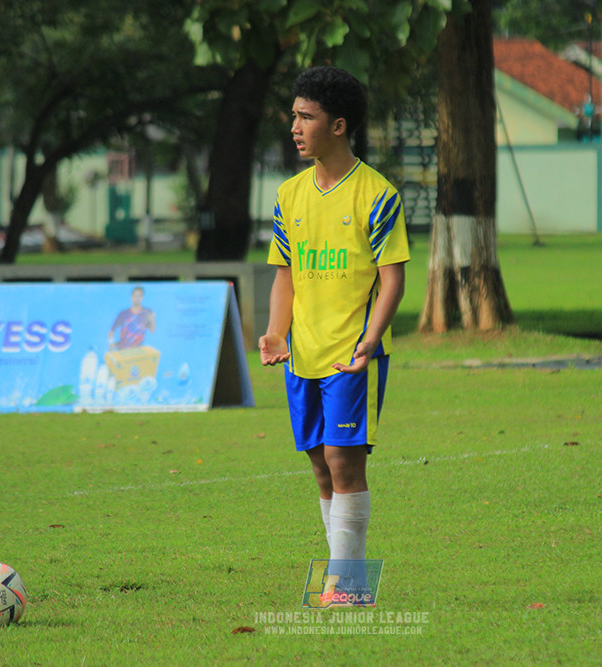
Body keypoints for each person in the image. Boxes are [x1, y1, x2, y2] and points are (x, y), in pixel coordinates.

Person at [259, 66, 409, 603]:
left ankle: (346, 583)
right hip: (304, 354)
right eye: (294, 116)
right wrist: (276, 332)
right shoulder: (289, 195)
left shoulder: (377, 195)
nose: (295, 127)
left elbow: (393, 278)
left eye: (307, 117)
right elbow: (285, 274)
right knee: (321, 466)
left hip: (352, 354)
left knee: (345, 461)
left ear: (338, 125)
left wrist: (371, 339)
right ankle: (346, 580)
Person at [108, 285, 156, 350]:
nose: (137, 298)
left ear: (142, 297)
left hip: (138, 350)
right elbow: (111, 331)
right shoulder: (123, 314)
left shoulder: (147, 312)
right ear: (131, 297)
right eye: (135, 296)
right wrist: (111, 343)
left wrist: (152, 319)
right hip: (123, 349)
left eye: (139, 296)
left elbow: (152, 330)